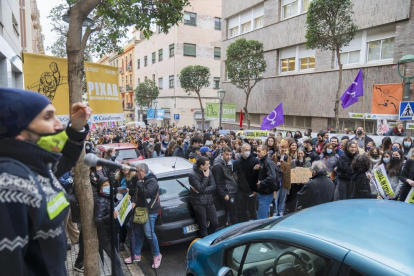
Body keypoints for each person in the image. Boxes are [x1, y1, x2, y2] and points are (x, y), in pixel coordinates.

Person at [0, 88, 90, 275]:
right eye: (48, 117)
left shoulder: (31, 165)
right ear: (18, 129)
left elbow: (63, 161)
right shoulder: (8, 181)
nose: (59, 125)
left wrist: (76, 129)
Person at [126, 163, 162, 268]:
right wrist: (133, 201)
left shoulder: (152, 181)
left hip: (150, 211)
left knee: (149, 234)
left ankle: (157, 255)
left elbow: (147, 193)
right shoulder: (139, 180)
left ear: (141, 172)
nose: (135, 173)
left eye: (136, 171)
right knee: (138, 233)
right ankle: (136, 254)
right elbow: (136, 194)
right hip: (139, 210)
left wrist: (140, 183)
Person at [94, 178, 125, 276]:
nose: (108, 187)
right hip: (106, 237)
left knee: (116, 261)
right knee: (116, 262)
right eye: (105, 185)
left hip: (114, 233)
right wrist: (111, 216)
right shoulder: (100, 201)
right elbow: (98, 221)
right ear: (100, 189)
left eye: (109, 184)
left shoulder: (110, 196)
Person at [188, 157, 219, 238]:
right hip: (199, 202)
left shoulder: (209, 171)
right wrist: (205, 177)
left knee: (215, 223)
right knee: (203, 226)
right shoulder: (192, 175)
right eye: (207, 164)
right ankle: (205, 242)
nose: (209, 165)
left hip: (209, 201)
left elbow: (213, 186)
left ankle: (208, 237)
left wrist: (201, 190)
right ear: (201, 166)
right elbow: (201, 188)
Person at [233, 143, 259, 222]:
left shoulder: (255, 160)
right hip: (241, 190)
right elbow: (234, 174)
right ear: (241, 150)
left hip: (251, 189)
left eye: (249, 150)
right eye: (246, 150)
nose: (247, 152)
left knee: (252, 209)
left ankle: (255, 223)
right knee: (242, 209)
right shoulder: (237, 162)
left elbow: (257, 177)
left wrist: (255, 190)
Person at [212, 147, 238, 225]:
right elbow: (217, 182)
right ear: (222, 153)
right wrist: (223, 194)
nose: (229, 156)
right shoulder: (218, 166)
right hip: (227, 192)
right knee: (233, 213)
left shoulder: (228, 163)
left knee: (233, 212)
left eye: (230, 155)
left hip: (232, 190)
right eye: (227, 154)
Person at [254, 145, 277, 219]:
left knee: (261, 217)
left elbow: (272, 177)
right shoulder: (262, 161)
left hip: (266, 193)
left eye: (259, 151)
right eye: (257, 151)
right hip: (262, 192)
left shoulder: (268, 162)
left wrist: (261, 182)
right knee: (261, 215)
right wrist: (255, 170)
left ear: (265, 152)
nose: (257, 153)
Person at [286, 148, 311, 213]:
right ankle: (292, 211)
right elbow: (291, 171)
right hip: (294, 184)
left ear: (304, 154)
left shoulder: (308, 162)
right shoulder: (293, 161)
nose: (300, 155)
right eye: (299, 153)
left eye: (301, 153)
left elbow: (308, 173)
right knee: (294, 198)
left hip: (303, 184)